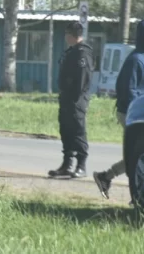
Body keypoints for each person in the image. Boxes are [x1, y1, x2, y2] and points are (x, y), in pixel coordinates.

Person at [93, 19, 144, 198]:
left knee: (139, 153)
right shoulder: (136, 60)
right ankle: (139, 195)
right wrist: (138, 110)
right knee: (140, 154)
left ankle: (105, 177)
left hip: (142, 114)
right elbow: (126, 88)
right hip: (130, 113)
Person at [48, 22, 93, 179]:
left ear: (72, 35)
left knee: (77, 132)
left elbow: (81, 81)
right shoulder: (71, 52)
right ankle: (66, 165)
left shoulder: (82, 54)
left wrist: (74, 100)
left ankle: (81, 166)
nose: (65, 37)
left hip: (76, 100)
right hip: (66, 99)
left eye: (67, 34)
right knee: (66, 131)